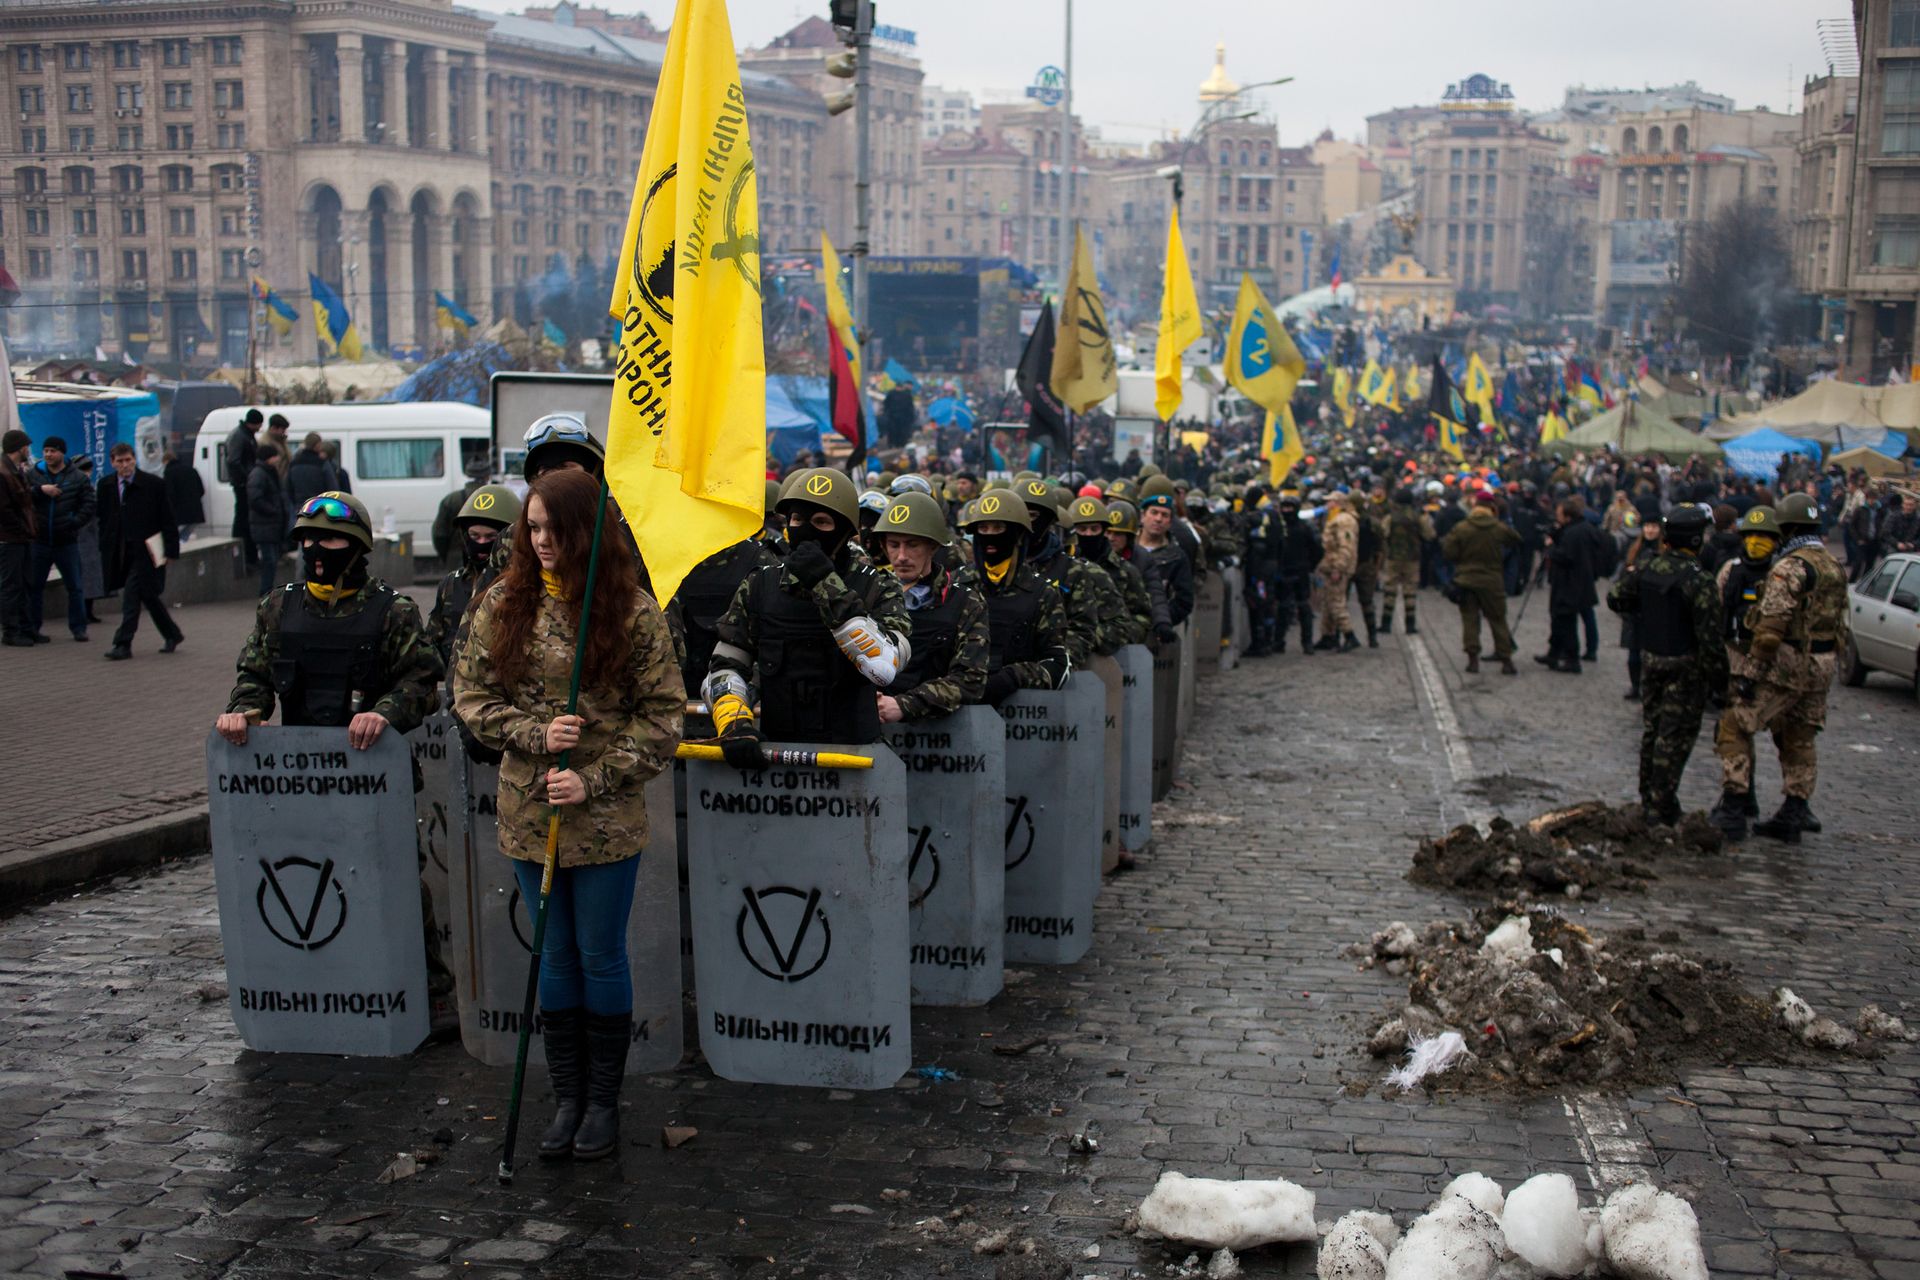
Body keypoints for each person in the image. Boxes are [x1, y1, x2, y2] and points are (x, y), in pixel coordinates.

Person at [450, 468, 681, 1161]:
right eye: (534, 526)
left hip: (605, 820)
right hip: (531, 812)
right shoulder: (503, 602)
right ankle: (567, 1096)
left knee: (599, 954)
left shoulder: (633, 612)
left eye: (555, 528)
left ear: (586, 532)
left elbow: (664, 718)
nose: (541, 540)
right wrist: (532, 734)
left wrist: (598, 777)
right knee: (551, 953)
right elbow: (469, 694)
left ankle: (603, 1104)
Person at [704, 467, 910, 760]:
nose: (806, 531)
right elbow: (726, 664)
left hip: (856, 760)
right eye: (798, 520)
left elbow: (885, 666)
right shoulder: (759, 585)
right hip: (779, 758)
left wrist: (826, 584)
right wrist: (734, 722)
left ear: (846, 531)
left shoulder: (878, 585)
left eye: (821, 522)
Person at [1709, 493, 1847, 843]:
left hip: (1789, 663)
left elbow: (1770, 633)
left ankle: (1735, 804)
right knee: (1799, 735)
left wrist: (1751, 676)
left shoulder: (1789, 567)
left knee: (1734, 726)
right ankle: (1795, 808)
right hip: (1823, 663)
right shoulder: (1831, 565)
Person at [1606, 506, 1724, 825]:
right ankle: (1662, 802)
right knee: (1675, 736)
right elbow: (1711, 638)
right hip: (1686, 667)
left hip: (1652, 660)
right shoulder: (1699, 581)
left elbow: (1616, 597)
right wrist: (1721, 682)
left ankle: (1650, 796)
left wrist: (1644, 613)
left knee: (1652, 730)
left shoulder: (1648, 567)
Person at [877, 491, 989, 722]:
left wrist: (905, 705)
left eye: (912, 545)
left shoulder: (966, 602)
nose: (901, 556)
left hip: (940, 737)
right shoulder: (870, 595)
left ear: (933, 546)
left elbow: (971, 679)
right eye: (893, 545)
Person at [955, 492, 1071, 703]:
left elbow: (1057, 665)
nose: (990, 536)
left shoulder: (1043, 594)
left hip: (1021, 714)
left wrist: (1013, 677)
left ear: (1018, 534)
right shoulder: (957, 584)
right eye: (983, 529)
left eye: (999, 528)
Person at [1016, 479, 1123, 666]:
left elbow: (1087, 629)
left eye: (1033, 516)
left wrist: (1053, 662)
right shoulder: (995, 567)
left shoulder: (1074, 572)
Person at [97, 442, 183, 660]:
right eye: (120, 461)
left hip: (146, 551)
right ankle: (172, 634)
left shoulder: (153, 484)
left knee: (131, 596)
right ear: (112, 463)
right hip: (120, 552)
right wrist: (105, 545)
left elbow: (168, 518)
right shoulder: (106, 485)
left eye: (128, 460)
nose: (125, 465)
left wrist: (171, 550)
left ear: (134, 459)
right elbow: (104, 518)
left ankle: (123, 643)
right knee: (148, 595)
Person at [424, 483, 521, 673]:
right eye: (474, 535)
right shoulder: (451, 585)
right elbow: (431, 645)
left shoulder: (521, 586)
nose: (481, 543)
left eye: (491, 536)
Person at [1441, 491, 1519, 675]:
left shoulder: (1462, 527)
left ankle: (1472, 659)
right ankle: (1506, 659)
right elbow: (1516, 540)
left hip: (1466, 579)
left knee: (1470, 620)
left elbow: (1448, 552)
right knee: (1498, 620)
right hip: (1492, 580)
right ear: (1492, 508)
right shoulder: (1498, 527)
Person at [27, 435, 95, 642]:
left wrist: (74, 522)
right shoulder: (34, 475)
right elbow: (22, 496)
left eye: (52, 451)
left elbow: (89, 504)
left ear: (62, 453)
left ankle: (78, 627)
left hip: (66, 541)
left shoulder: (78, 478)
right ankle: (33, 628)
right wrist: (40, 490)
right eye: (46, 450)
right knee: (34, 587)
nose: (48, 454)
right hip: (39, 541)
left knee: (74, 586)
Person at [1072, 496, 1150, 648]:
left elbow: (1142, 616)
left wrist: (1116, 638)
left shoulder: (1126, 571)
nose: (1088, 535)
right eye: (1082, 529)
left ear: (1103, 531)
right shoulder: (1062, 568)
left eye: (1094, 529)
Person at [1539, 498, 1601, 674]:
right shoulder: (1580, 528)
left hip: (1570, 584)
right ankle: (1554, 653)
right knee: (1560, 619)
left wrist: (1550, 550)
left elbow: (1567, 557)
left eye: (1559, 515)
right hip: (1576, 582)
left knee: (1566, 620)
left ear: (1567, 516)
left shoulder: (1575, 533)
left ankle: (1571, 658)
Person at [1134, 477, 1194, 640]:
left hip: (1160, 633)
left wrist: (1162, 621)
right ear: (1143, 516)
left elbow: (1184, 600)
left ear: (1169, 521)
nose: (1158, 519)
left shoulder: (1177, 557)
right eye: (1154, 512)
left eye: (1164, 515)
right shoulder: (1127, 549)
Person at [1102, 498, 1165, 646]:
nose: (1111, 538)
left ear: (1129, 537)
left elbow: (1155, 593)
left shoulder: (1141, 559)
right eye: (1108, 532)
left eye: (1118, 534)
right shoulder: (1090, 558)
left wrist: (1162, 621)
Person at [1380, 487, 1433, 636]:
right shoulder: (1418, 517)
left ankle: (1386, 623)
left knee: (1390, 590)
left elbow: (1383, 533)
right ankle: (1410, 624)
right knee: (1410, 592)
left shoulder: (1391, 517)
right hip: (1412, 558)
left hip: (1393, 558)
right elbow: (1429, 535)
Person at [0, 430, 36, 647]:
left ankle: (25, 628)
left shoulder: (15, 470)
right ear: (20, 447)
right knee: (11, 586)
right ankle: (11, 631)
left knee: (23, 584)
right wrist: (22, 528)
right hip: (10, 538)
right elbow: (4, 509)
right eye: (26, 446)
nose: (28, 450)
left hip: (20, 537)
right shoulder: (3, 472)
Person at [247, 442, 293, 599]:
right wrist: (273, 510)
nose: (278, 459)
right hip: (265, 525)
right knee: (269, 560)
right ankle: (265, 592)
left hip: (271, 525)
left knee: (271, 560)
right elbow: (255, 498)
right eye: (275, 456)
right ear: (268, 458)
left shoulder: (269, 472)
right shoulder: (259, 474)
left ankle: (267, 591)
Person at [1316, 491, 1360, 652]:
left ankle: (1349, 635)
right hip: (1330, 564)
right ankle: (1328, 635)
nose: (1328, 504)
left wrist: (1338, 568)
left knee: (1336, 602)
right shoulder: (1336, 518)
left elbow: (1345, 547)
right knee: (1328, 602)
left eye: (1331, 501)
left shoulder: (1344, 521)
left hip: (1336, 566)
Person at [225, 407, 263, 567]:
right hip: (242, 484)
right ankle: (244, 555)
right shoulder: (240, 436)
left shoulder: (246, 435)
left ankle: (250, 555)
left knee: (246, 519)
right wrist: (249, 478)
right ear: (254, 423)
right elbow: (233, 461)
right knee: (242, 519)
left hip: (244, 482)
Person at [287, 431, 342, 510]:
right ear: (317, 445)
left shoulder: (294, 464)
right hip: (318, 507)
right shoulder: (322, 464)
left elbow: (288, 489)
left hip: (299, 508)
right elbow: (332, 489)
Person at [164, 449, 205, 544]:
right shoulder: (191, 470)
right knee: (183, 539)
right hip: (196, 513)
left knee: (173, 539)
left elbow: (170, 494)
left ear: (166, 461)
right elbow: (201, 490)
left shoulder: (169, 472)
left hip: (180, 515)